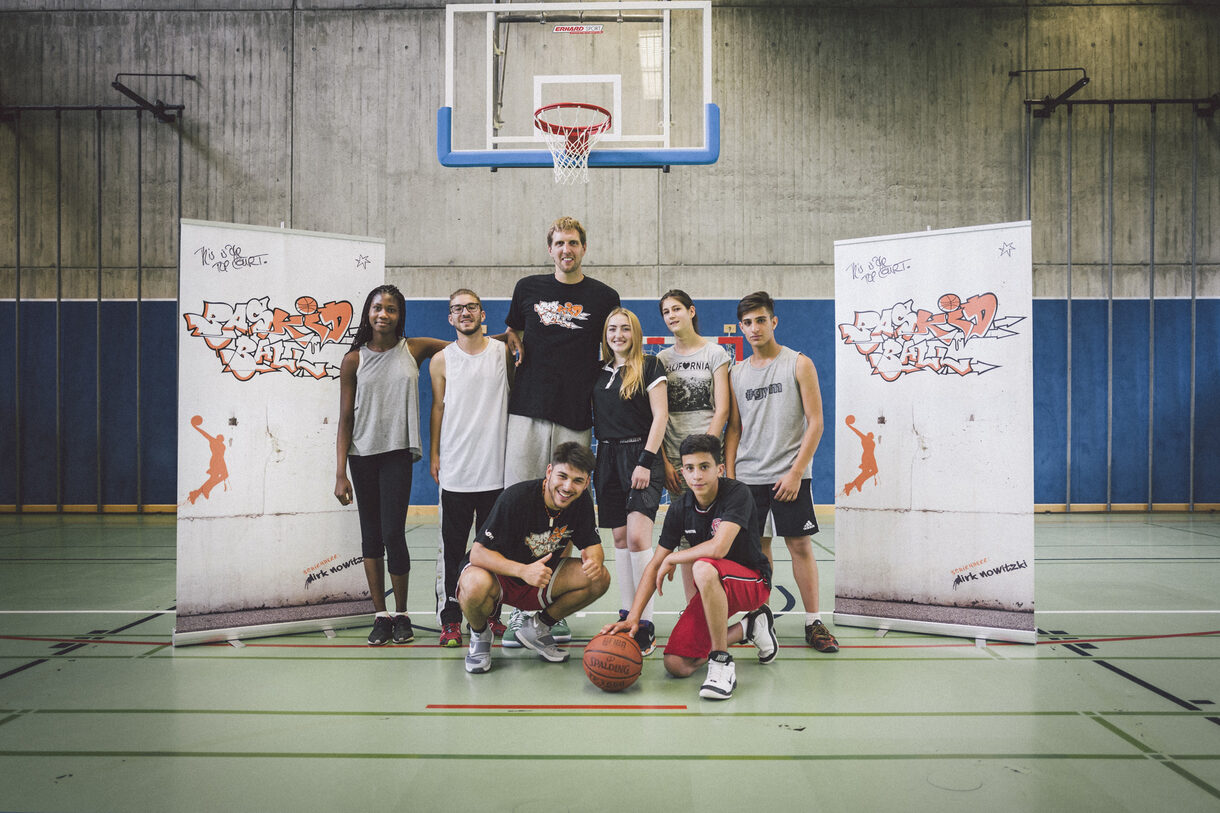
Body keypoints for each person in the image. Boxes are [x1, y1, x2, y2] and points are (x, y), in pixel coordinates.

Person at [500, 216, 620, 645]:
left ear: (583, 248)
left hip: (575, 414)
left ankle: (550, 604)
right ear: (549, 249)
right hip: (528, 410)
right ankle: (517, 608)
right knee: (521, 504)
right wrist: (512, 340)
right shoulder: (527, 288)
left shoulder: (604, 296)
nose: (566, 249)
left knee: (565, 509)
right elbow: (512, 331)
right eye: (558, 243)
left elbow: (615, 347)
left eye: (573, 242)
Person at [602, 434, 776, 701]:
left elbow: (718, 549)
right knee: (676, 664)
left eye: (704, 467)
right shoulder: (680, 508)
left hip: (752, 583)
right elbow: (653, 566)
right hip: (714, 588)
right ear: (682, 472)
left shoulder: (737, 493)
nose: (697, 475)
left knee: (703, 567)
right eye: (690, 468)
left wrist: (673, 559)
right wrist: (634, 617)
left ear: (719, 469)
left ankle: (721, 663)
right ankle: (750, 628)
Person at [724, 291, 840, 654]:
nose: (754, 328)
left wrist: (795, 472)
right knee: (759, 550)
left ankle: (813, 621)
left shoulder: (798, 363)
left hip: (789, 476)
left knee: (800, 546)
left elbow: (816, 422)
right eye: (747, 322)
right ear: (741, 328)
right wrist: (730, 477)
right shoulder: (736, 372)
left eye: (761, 320)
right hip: (748, 477)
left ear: (774, 321)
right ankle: (761, 617)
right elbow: (734, 429)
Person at [334, 284, 446, 646]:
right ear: (368, 312)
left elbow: (466, 346)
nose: (384, 314)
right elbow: (345, 419)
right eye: (378, 308)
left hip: (398, 452)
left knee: (394, 533)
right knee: (371, 535)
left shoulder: (413, 348)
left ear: (400, 315)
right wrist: (339, 472)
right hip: (361, 456)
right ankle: (380, 615)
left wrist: (505, 336)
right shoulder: (354, 359)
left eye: (392, 309)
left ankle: (402, 614)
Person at [459, 442, 610, 674]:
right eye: (562, 476)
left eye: (578, 481)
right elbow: (478, 552)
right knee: (472, 584)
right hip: (501, 577)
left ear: (587, 483)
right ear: (549, 471)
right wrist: (522, 570)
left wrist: (593, 561)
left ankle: (538, 628)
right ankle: (480, 635)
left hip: (541, 580)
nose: (568, 487)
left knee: (600, 578)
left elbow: (593, 546)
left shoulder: (581, 503)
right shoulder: (516, 498)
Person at [429, 289, 513, 647]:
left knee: (494, 552)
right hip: (456, 470)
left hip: (495, 468)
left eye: (470, 307)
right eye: (457, 309)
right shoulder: (441, 360)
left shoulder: (502, 353)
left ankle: (490, 613)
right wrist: (434, 455)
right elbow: (438, 408)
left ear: (482, 313)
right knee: (452, 549)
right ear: (450, 318)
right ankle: (450, 619)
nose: (464, 313)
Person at [592, 307, 668, 655]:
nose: (618, 334)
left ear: (635, 333)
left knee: (639, 538)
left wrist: (645, 462)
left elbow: (660, 416)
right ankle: (626, 614)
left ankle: (645, 622)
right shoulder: (599, 371)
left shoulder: (650, 366)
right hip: (605, 458)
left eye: (625, 328)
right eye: (612, 329)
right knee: (620, 540)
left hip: (640, 455)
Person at [656, 289, 731, 601]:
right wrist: (666, 462)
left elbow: (723, 408)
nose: (672, 316)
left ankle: (715, 603)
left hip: (706, 458)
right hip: (675, 461)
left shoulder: (715, 354)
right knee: (687, 539)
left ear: (691, 311)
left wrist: (704, 455)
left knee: (714, 533)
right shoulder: (661, 359)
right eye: (666, 312)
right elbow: (656, 416)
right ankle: (693, 609)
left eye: (677, 309)